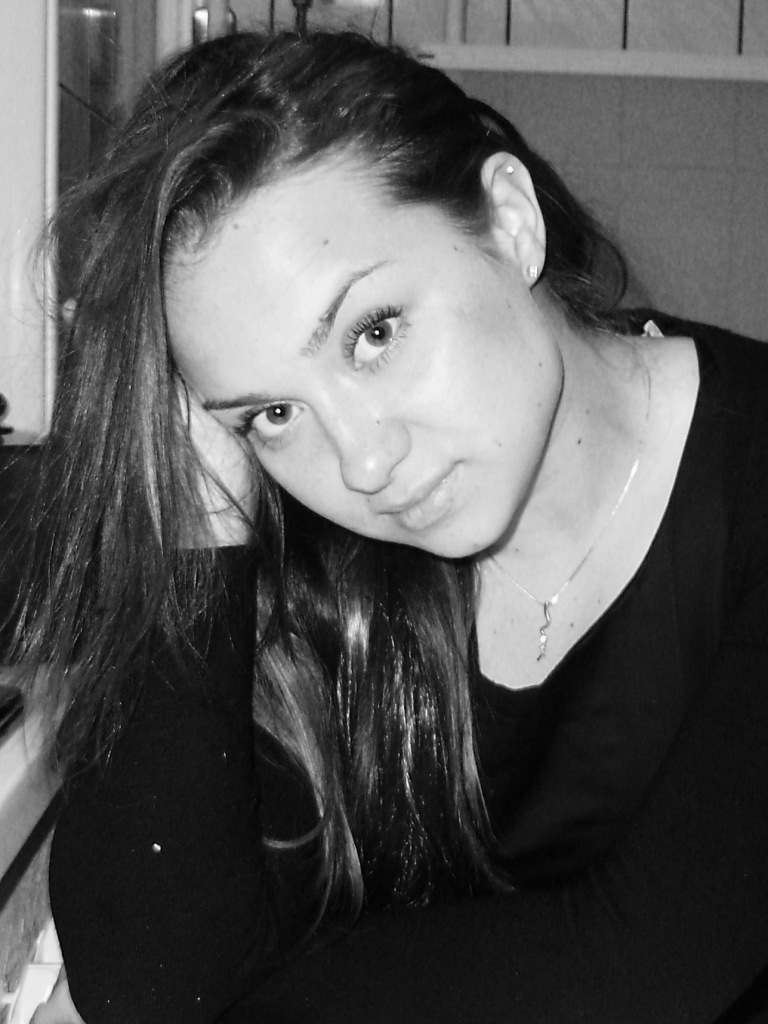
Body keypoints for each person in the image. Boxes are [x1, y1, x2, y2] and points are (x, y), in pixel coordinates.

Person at [10, 28, 768, 1024]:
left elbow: (651, 965)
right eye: (271, 412)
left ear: (510, 222)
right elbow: (155, 980)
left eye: (374, 333)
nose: (363, 463)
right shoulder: (310, 560)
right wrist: (198, 518)